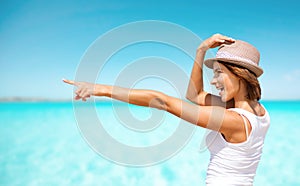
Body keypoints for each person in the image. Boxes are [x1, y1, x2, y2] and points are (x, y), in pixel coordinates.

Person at [63, 33, 270, 185]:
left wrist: (100, 89)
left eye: (218, 73)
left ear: (240, 75)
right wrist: (200, 51)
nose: (214, 81)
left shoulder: (232, 120)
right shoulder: (260, 113)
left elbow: (161, 101)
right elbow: (195, 96)